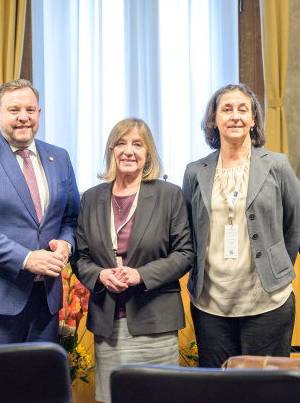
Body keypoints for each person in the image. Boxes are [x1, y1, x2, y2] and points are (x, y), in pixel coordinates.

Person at [182, 83, 300, 368]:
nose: (235, 116)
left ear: (253, 120)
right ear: (214, 120)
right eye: (226, 109)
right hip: (211, 305)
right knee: (220, 392)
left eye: (242, 109)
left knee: (266, 391)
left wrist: (277, 268)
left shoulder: (278, 165)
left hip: (269, 302)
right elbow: (187, 228)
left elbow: (293, 225)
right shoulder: (194, 171)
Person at [75, 118, 194, 403]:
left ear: (148, 152)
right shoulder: (91, 198)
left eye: (137, 144)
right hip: (108, 325)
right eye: (121, 144)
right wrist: (100, 276)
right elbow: (80, 257)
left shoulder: (169, 195)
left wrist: (141, 275)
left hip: (155, 321)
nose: (129, 151)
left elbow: (185, 253)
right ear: (111, 151)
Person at [0, 79, 80, 344]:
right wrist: (25, 259)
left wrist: (66, 244)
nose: (23, 117)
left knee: (39, 385)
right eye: (14, 110)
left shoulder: (60, 157)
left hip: (46, 302)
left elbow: (70, 217)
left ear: (39, 114)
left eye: (30, 110)